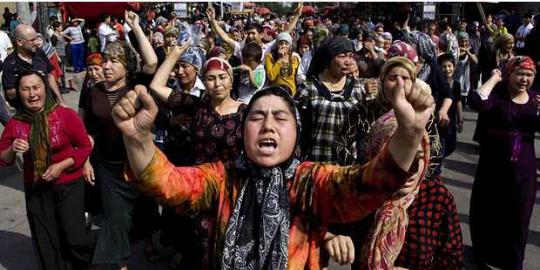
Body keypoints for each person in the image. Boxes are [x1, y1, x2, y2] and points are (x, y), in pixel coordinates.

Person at [111, 66, 434, 268]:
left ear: (296, 134)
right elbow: (168, 183)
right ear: (242, 130)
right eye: (256, 117)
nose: (268, 125)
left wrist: (409, 131)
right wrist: (138, 139)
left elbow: (370, 184)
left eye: (280, 118)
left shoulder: (312, 181)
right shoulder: (221, 178)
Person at [83, 11, 157, 270]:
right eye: (105, 61)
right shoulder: (95, 91)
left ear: (126, 66)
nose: (106, 66)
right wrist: (86, 161)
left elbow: (151, 61)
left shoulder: (136, 87)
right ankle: (118, 263)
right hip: (107, 165)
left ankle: (148, 241)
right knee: (114, 216)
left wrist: (136, 27)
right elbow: (90, 130)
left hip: (135, 163)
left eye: (114, 61)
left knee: (143, 208)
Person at [0, 70, 94, 270]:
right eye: (25, 89)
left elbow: (85, 146)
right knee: (45, 240)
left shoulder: (64, 115)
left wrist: (61, 165)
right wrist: (12, 149)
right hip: (36, 187)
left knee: (74, 237)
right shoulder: (16, 123)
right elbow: (3, 159)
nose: (32, 94)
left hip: (69, 184)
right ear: (18, 93)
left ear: (45, 88)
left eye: (36, 87)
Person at [468, 56, 538, 270]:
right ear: (509, 75)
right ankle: (482, 255)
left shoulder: (536, 99)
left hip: (523, 171)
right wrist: (495, 78)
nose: (524, 79)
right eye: (520, 74)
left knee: (518, 216)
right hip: (492, 167)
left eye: (529, 75)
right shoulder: (498, 96)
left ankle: (513, 261)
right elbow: (476, 101)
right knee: (486, 211)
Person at [297, 36, 369, 162]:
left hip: (348, 168)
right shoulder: (309, 88)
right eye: (342, 56)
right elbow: (297, 127)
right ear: (328, 59)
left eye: (350, 56)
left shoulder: (358, 88)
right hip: (316, 164)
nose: (348, 61)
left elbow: (363, 130)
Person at [2, 24, 65, 106]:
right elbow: (11, 93)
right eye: (32, 40)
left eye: (36, 39)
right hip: (28, 113)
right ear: (19, 42)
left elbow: (49, 76)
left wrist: (61, 100)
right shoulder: (9, 63)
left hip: (49, 105)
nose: (36, 43)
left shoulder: (40, 53)